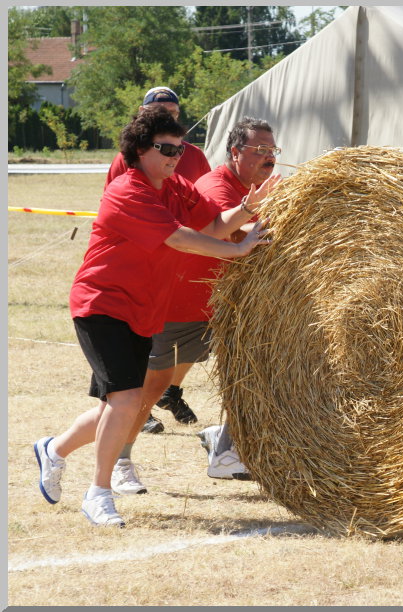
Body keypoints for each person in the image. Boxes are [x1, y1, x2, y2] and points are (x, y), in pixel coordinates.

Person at [33, 106, 279, 526]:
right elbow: (182, 239)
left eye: (180, 148)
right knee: (127, 401)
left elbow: (211, 225)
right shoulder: (128, 191)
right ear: (141, 149)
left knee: (130, 403)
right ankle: (99, 493)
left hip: (144, 309)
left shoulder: (176, 186)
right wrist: (239, 250)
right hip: (103, 304)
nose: (175, 155)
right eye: (166, 148)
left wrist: (246, 209)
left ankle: (53, 449)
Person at [106, 86, 212, 435]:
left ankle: (169, 393)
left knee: (188, 339)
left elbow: (204, 203)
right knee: (143, 341)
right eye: (162, 112)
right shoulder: (130, 160)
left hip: (185, 260)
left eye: (175, 114)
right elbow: (120, 209)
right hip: (143, 262)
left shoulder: (193, 155)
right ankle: (134, 406)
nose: (175, 156)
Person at [191, 117, 281, 480]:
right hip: (197, 300)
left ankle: (225, 445)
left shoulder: (263, 184)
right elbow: (232, 228)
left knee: (252, 368)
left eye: (273, 150)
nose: (269, 158)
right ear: (235, 152)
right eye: (260, 150)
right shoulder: (217, 185)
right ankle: (119, 460)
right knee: (145, 388)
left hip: (232, 300)